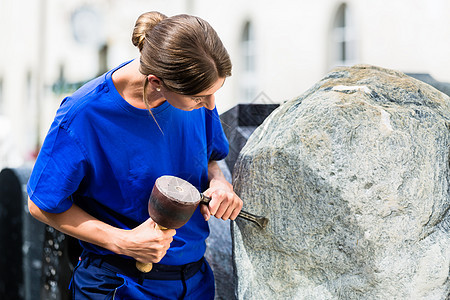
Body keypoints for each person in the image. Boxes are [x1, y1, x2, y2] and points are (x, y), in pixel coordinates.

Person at [27, 11, 242, 299]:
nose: (210, 105)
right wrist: (123, 241)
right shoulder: (83, 115)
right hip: (118, 285)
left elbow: (211, 158)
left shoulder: (192, 99)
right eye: (200, 97)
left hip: (196, 282)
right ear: (156, 82)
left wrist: (220, 184)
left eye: (214, 93)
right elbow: (40, 204)